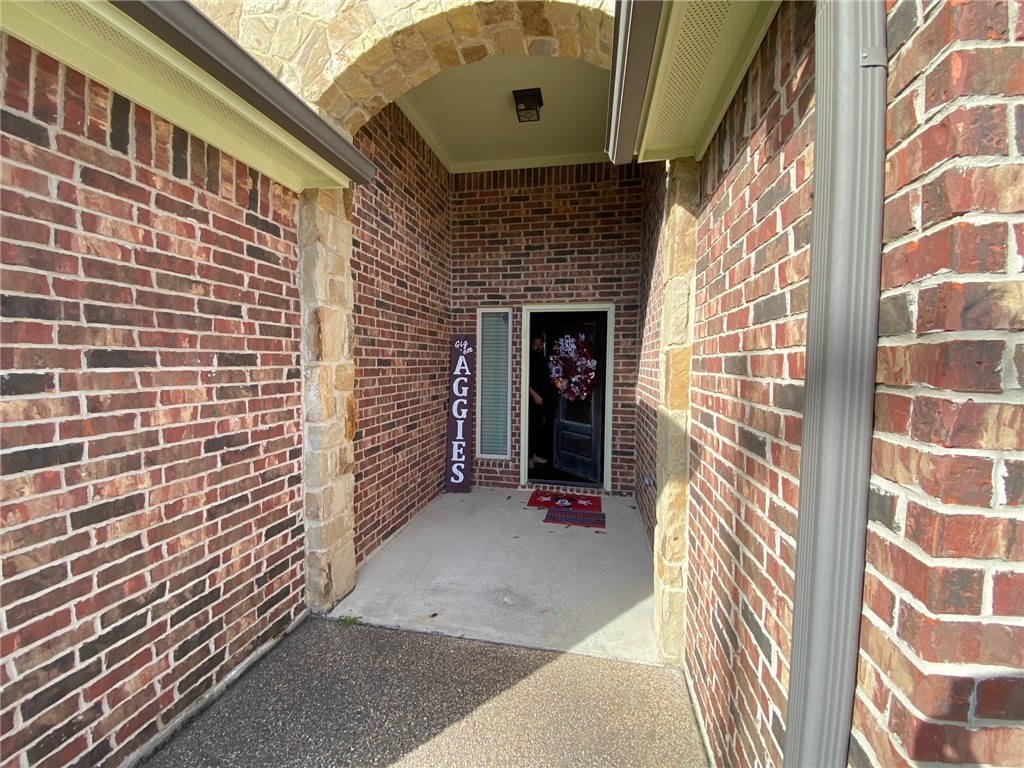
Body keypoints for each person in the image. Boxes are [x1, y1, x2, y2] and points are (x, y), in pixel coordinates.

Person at [528, 335, 554, 469]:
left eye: (540, 344)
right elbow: (523, 380)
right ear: (531, 345)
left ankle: (535, 454)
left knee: (540, 428)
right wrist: (534, 395)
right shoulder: (529, 358)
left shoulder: (544, 359)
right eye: (536, 344)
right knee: (531, 428)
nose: (538, 346)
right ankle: (528, 458)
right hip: (533, 400)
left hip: (543, 400)